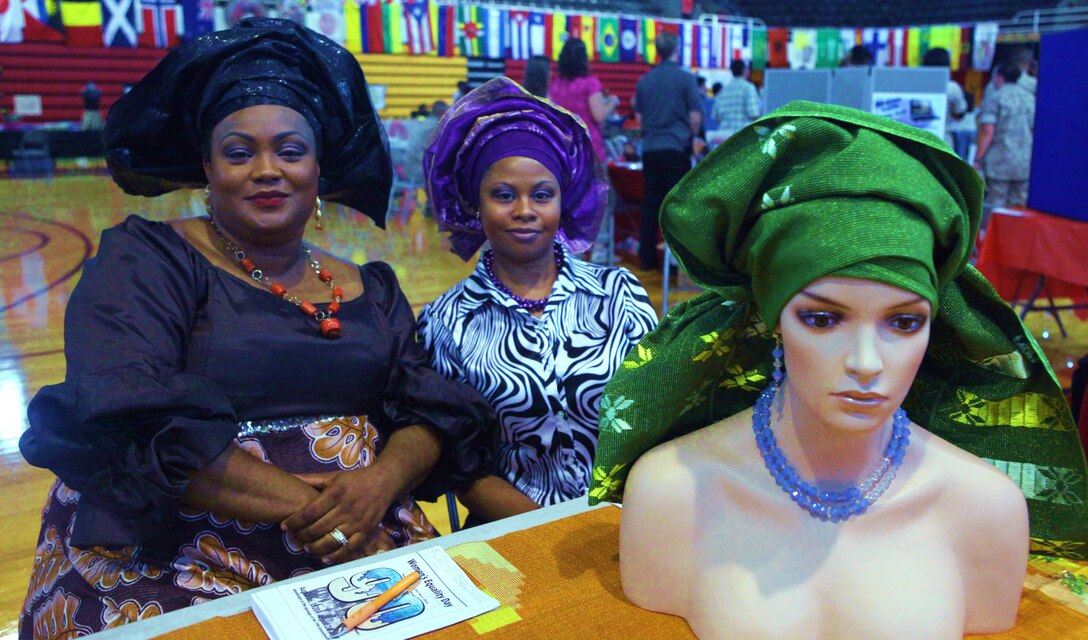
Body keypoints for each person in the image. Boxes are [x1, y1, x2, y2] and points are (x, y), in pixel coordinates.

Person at [18, 18, 493, 637]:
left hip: (363, 528)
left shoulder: (372, 285)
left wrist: (381, 481)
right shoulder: (148, 261)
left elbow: (428, 406)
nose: (267, 169)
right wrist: (317, 511)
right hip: (174, 548)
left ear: (319, 168)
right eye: (239, 152)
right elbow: (130, 414)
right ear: (208, 169)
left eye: (290, 151)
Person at [589, 102, 1088, 637]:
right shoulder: (672, 493)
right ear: (773, 317)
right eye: (823, 318)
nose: (868, 363)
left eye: (903, 323)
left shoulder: (986, 509)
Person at [419, 78, 658, 524]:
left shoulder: (618, 294)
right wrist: (546, 531)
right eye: (503, 195)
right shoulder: (444, 323)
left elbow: (658, 418)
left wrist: (612, 520)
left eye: (542, 195)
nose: (525, 209)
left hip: (628, 522)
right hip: (509, 533)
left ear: (562, 202)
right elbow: (460, 465)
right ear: (476, 204)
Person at [632, 31, 701, 270]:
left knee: (650, 204)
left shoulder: (644, 81)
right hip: (675, 146)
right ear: (675, 50)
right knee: (676, 208)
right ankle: (678, 263)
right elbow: (694, 117)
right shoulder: (686, 79)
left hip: (651, 148)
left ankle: (646, 259)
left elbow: (639, 117)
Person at [974, 63, 1036, 227]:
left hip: (1000, 159)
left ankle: (994, 243)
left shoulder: (995, 97)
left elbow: (988, 130)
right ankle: (1016, 239)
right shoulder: (1030, 98)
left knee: (996, 204)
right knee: (1019, 204)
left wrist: (978, 158)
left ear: (999, 77)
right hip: (1025, 160)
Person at [548, 38, 616, 163]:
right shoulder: (590, 83)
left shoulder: (555, 85)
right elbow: (599, 115)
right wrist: (612, 102)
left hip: (564, 147)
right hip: (588, 147)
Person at [922, 47, 968, 150]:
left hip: (919, 139)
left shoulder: (915, 85)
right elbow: (959, 113)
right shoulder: (952, 88)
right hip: (942, 141)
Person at [711, 59, 761, 141]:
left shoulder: (722, 91)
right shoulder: (748, 88)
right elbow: (754, 114)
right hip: (743, 137)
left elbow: (715, 116)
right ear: (744, 70)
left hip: (724, 139)